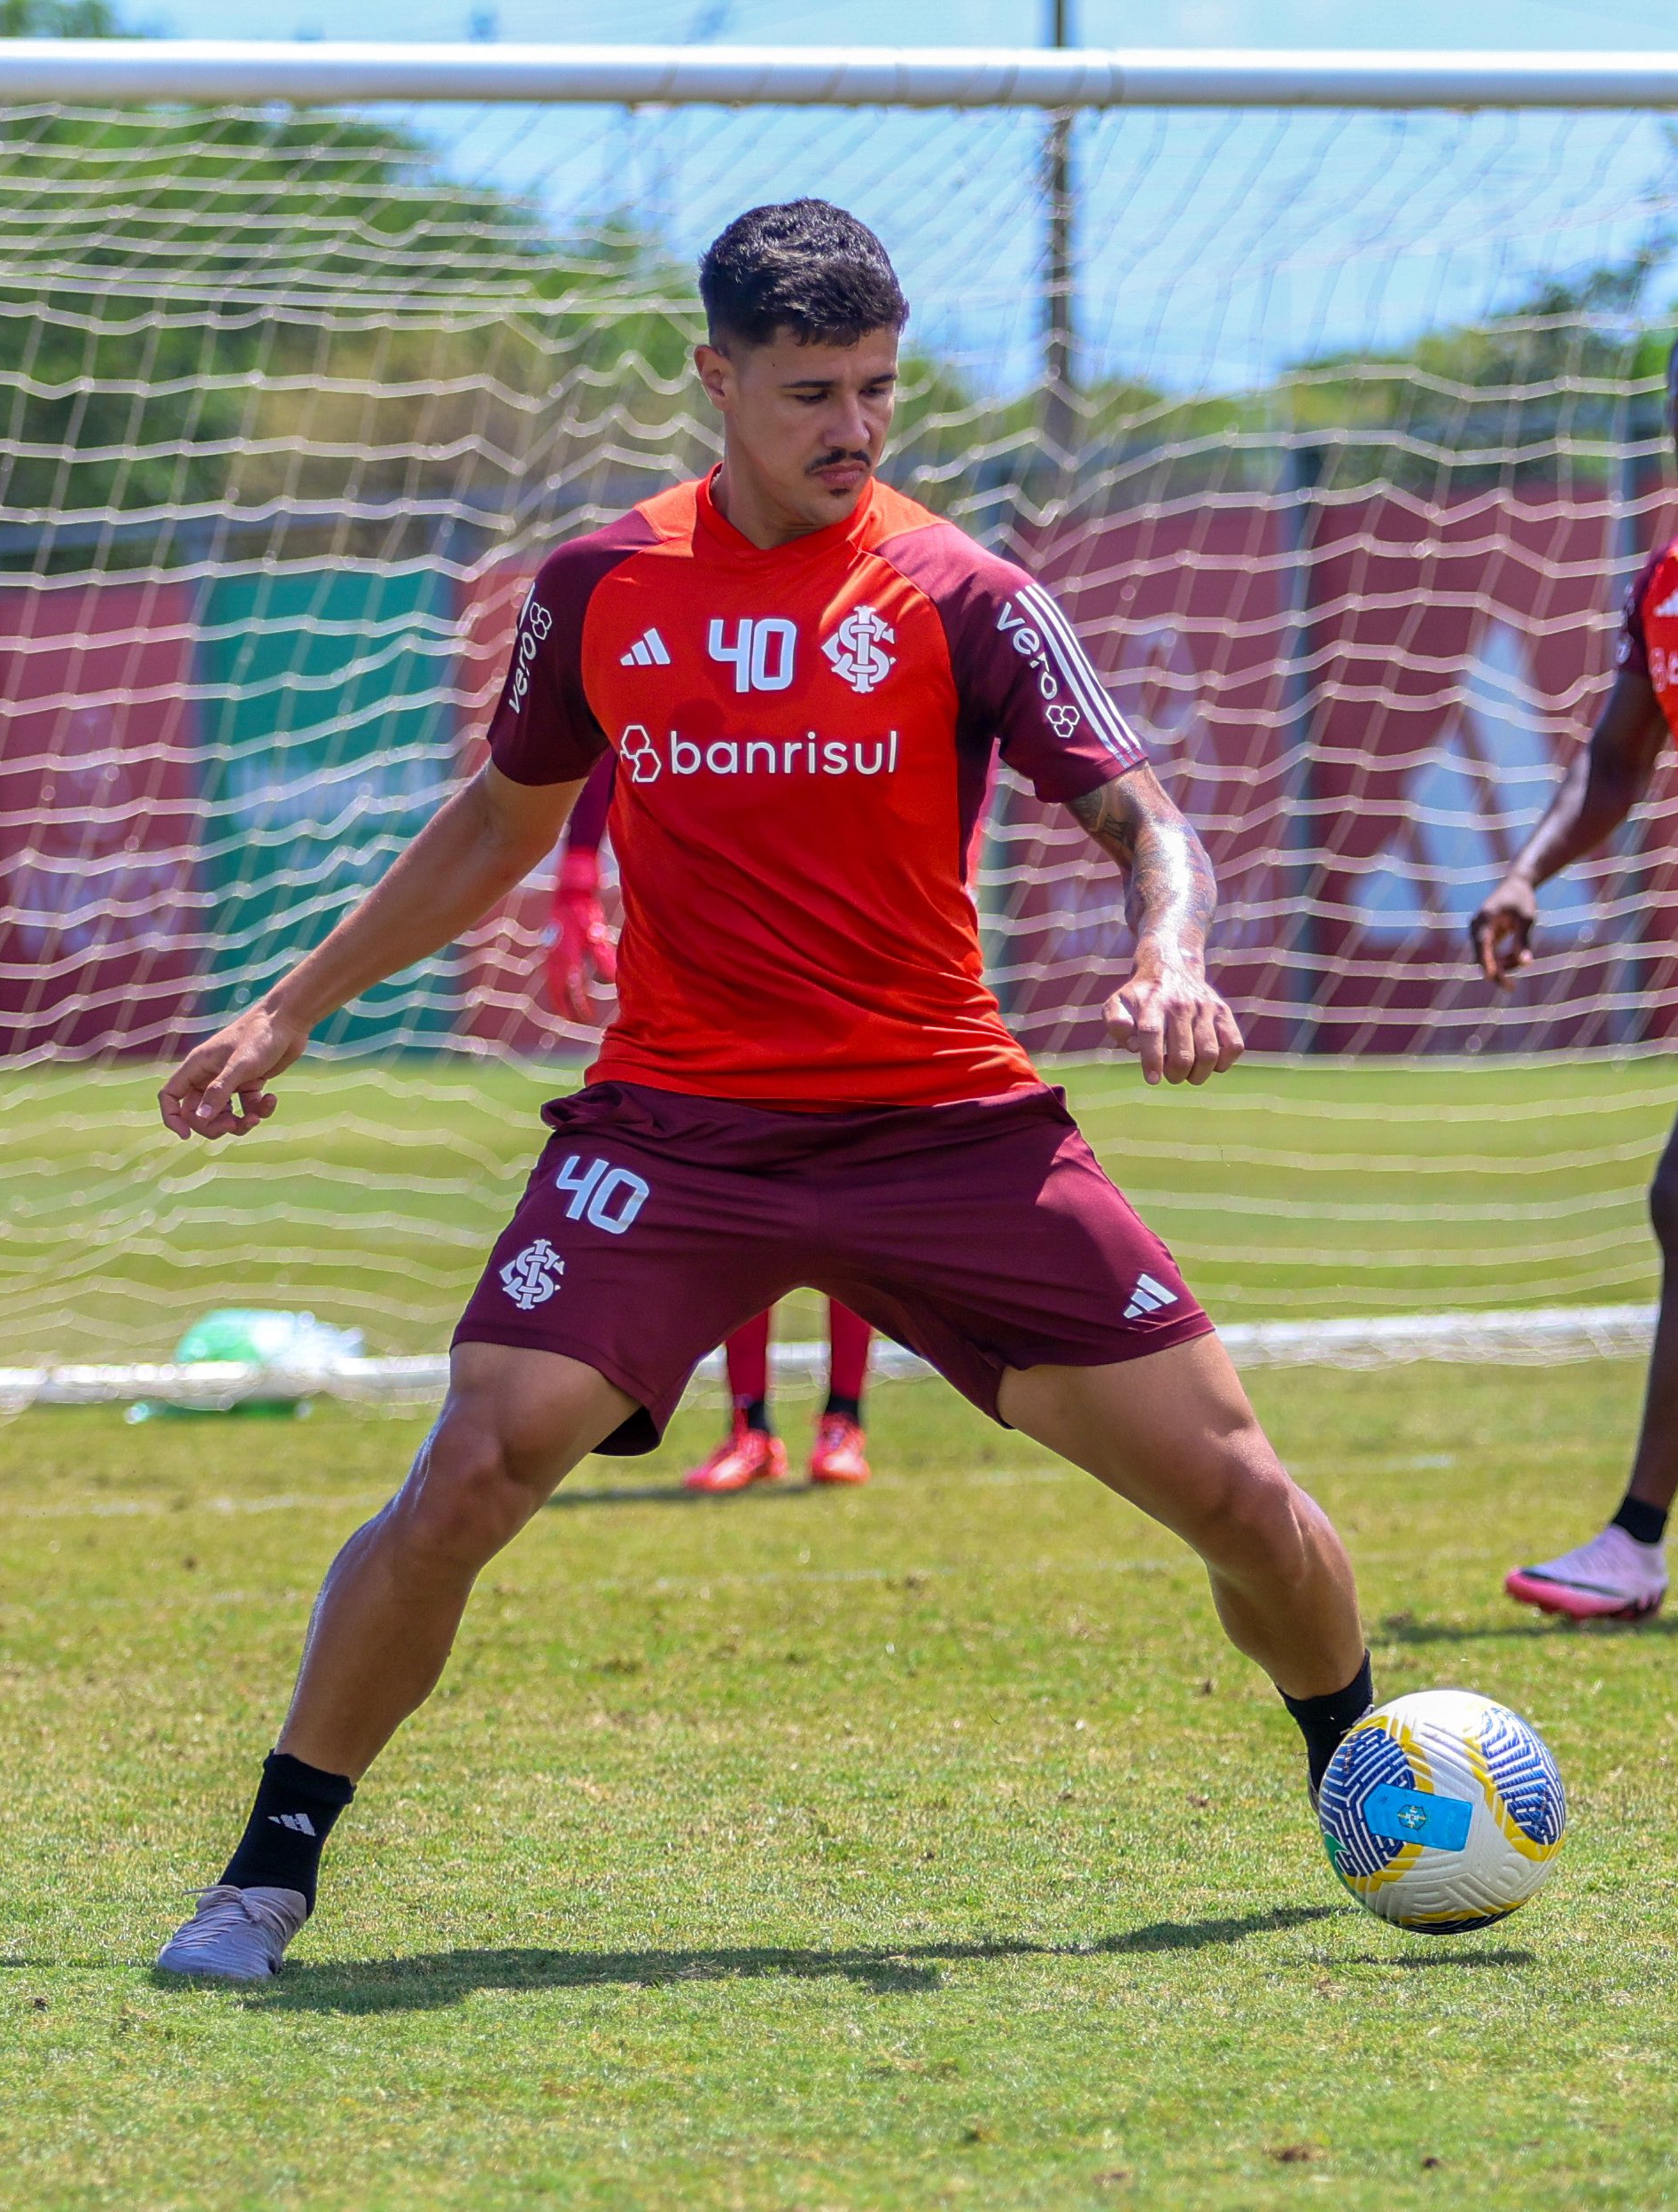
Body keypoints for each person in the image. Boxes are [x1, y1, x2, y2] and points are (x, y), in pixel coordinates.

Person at [151, 199, 1371, 1982]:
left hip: (943, 1129)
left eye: (876, 390)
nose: (851, 430)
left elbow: (1143, 822)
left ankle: (1363, 1770)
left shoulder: (968, 597)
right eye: (809, 391)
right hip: (678, 1135)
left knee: (1240, 1500)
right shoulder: (598, 589)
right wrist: (287, 1012)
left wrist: (1166, 954)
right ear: (713, 379)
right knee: (475, 1462)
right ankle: (266, 1872)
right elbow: (497, 824)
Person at [1473, 341, 1678, 1625]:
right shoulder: (1667, 586)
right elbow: (1617, 759)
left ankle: (1636, 1539)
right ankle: (1635, 1542)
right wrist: (1527, 871)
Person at [540, 758, 874, 1489]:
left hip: (842, 938)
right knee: (737, 1182)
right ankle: (749, 1428)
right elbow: (605, 744)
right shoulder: (674, 669)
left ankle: (843, 1418)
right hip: (709, 949)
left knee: (850, 1173)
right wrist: (574, 879)